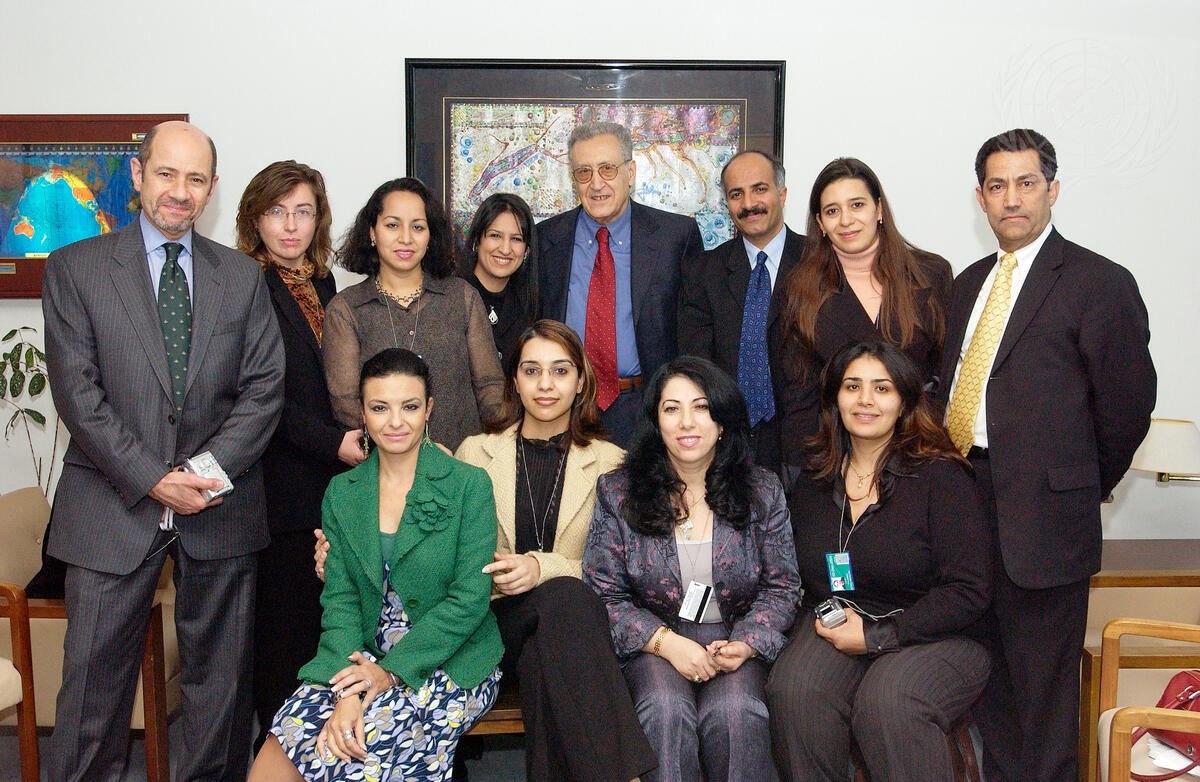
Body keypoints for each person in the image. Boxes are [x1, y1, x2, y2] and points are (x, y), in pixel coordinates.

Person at [41, 120, 285, 780]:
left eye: (196, 178)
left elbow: (264, 387)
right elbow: (78, 395)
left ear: (211, 188)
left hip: (219, 506)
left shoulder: (242, 276)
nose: (180, 191)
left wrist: (200, 475)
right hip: (111, 507)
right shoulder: (77, 269)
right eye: (167, 173)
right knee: (92, 697)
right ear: (138, 174)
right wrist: (153, 477)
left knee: (221, 697)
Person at [314, 320, 657, 781]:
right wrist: (344, 557)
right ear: (513, 379)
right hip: (484, 624)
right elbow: (419, 545)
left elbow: (625, 572)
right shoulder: (475, 454)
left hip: (574, 635)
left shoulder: (612, 463)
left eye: (560, 371)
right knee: (556, 617)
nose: (545, 384)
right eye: (531, 370)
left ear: (581, 381)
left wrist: (542, 567)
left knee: (557, 618)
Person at [937, 128, 1156, 782]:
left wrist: (1077, 485)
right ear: (980, 197)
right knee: (991, 692)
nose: (1012, 199)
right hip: (966, 505)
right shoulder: (967, 285)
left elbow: (1126, 409)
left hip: (1046, 519)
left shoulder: (1099, 282)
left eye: (1026, 183)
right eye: (997, 186)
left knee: (1046, 700)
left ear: (1052, 190)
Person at [248, 348, 503, 781]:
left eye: (410, 406)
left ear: (429, 410)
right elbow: (342, 602)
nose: (395, 421)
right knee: (284, 741)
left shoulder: (468, 485)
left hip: (450, 659)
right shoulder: (342, 492)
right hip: (362, 653)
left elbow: (468, 602)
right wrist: (347, 689)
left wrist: (388, 674)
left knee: (357, 749)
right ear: (362, 414)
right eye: (380, 408)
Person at [765, 340, 992, 782]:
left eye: (882, 388)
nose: (865, 399)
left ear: (904, 401)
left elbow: (969, 591)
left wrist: (877, 636)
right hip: (838, 620)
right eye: (852, 386)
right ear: (835, 398)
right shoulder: (814, 478)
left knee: (888, 702)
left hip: (936, 633)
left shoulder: (942, 476)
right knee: (795, 691)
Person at [583, 355, 799, 782]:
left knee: (735, 712)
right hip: (655, 641)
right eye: (672, 408)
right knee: (664, 710)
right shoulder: (619, 491)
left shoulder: (762, 490)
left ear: (722, 422)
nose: (686, 422)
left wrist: (746, 644)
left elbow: (782, 586)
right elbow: (603, 592)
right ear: (656, 422)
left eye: (701, 407)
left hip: (734, 637)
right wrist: (666, 643)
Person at [234, 159, 366, 749]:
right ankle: (278, 756)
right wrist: (332, 441)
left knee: (330, 626)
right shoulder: (243, 285)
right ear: (254, 219)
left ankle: (322, 752)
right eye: (277, 212)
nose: (290, 226)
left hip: (337, 485)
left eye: (303, 212)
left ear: (320, 219)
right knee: (283, 635)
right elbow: (258, 394)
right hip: (280, 485)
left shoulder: (328, 285)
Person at [773, 157, 952, 484]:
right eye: (832, 211)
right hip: (837, 463)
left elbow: (947, 371)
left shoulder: (931, 273)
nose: (846, 220)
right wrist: (799, 477)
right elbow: (799, 393)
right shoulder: (799, 290)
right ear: (820, 223)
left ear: (879, 209)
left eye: (857, 205)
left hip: (921, 456)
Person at [538, 121, 704, 448]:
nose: (596, 183)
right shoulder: (546, 239)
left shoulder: (675, 237)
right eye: (584, 172)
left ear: (630, 172)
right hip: (565, 407)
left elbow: (695, 333)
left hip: (647, 409)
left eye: (607, 169)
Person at [323, 177, 504, 451]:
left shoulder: (462, 297)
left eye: (417, 227)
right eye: (392, 225)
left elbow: (490, 386)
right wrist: (411, 454)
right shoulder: (346, 309)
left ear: (431, 235)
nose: (406, 238)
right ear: (372, 232)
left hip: (460, 463)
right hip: (384, 465)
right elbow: (347, 404)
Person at [678, 150, 805, 474]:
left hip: (806, 448)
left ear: (782, 194)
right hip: (728, 450)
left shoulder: (819, 262)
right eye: (736, 194)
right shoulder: (704, 271)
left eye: (759, 189)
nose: (749, 203)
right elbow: (697, 366)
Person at [457, 192, 541, 366]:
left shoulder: (531, 306)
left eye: (516, 239)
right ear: (477, 240)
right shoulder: (452, 296)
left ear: (527, 250)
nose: (505, 249)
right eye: (495, 236)